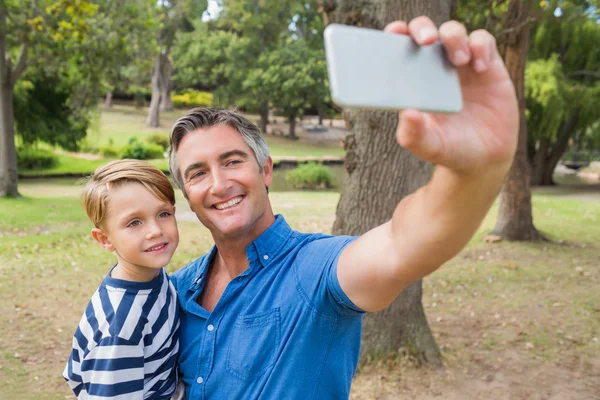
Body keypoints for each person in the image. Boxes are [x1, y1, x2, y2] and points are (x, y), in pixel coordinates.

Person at [168, 16, 518, 399]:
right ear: (187, 192)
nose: (219, 184)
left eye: (232, 161)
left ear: (265, 170)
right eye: (198, 173)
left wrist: (476, 172)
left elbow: (403, 246)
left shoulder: (315, 269)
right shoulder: (177, 289)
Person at [63, 160, 182, 399]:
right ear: (105, 239)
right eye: (134, 222)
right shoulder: (121, 328)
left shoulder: (150, 278)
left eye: (163, 214)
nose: (155, 230)